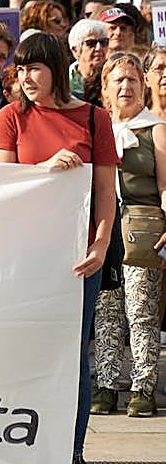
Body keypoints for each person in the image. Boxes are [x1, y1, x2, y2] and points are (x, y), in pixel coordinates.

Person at [0, 32, 118, 464]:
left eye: (35, 67)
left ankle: (70, 455)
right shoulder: (11, 117)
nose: (26, 77)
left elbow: (103, 193)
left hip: (74, 261)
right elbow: (3, 186)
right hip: (17, 256)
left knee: (70, 357)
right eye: (21, 69)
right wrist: (43, 171)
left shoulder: (95, 119)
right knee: (6, 350)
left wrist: (100, 245)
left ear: (56, 68)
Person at [92, 53, 165, 418]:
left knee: (141, 311)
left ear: (143, 86)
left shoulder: (155, 129)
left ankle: (142, 386)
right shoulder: (98, 127)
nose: (126, 86)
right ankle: (106, 384)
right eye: (118, 80)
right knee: (106, 311)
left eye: (133, 80)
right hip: (106, 229)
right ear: (105, 89)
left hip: (142, 229)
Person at [69, 18, 110, 102]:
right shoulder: (63, 81)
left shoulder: (113, 78)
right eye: (90, 43)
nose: (98, 48)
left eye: (103, 42)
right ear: (75, 50)